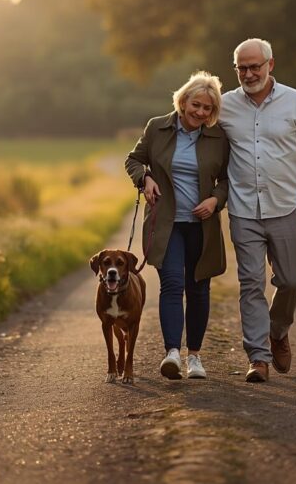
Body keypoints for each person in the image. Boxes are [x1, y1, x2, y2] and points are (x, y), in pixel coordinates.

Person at [217, 38, 296, 383]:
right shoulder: (224, 106)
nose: (249, 74)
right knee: (250, 283)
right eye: (242, 68)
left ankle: (277, 331)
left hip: (285, 207)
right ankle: (258, 357)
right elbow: (192, 127)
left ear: (271, 64)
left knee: (291, 282)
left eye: (255, 66)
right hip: (243, 211)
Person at [125, 71, 230, 380]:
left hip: (202, 226)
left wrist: (215, 200)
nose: (200, 112)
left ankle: (194, 357)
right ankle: (172, 353)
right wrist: (145, 178)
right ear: (183, 102)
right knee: (172, 284)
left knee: (198, 289)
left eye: (207, 108)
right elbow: (133, 160)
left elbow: (227, 179)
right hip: (166, 225)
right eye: (196, 105)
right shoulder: (157, 127)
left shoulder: (219, 137)